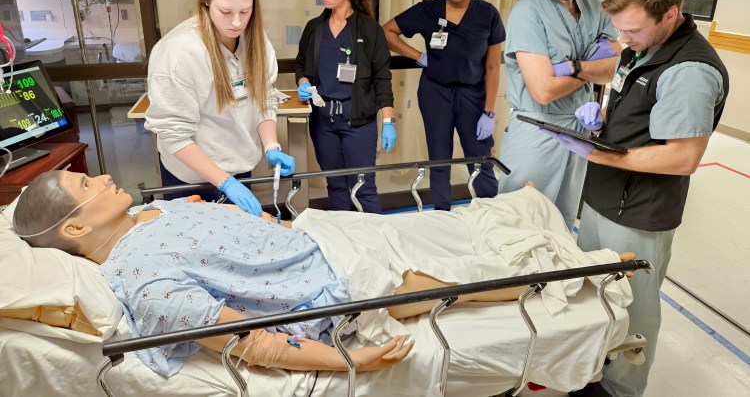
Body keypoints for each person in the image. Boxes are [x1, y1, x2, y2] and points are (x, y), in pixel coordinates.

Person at [13, 170, 634, 381]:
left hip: (323, 236)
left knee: (449, 228)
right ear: (73, 229)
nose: (100, 177)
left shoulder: (150, 211)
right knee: (451, 276)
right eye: (84, 184)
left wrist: (227, 210)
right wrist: (351, 363)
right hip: (339, 282)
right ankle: (570, 277)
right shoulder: (146, 284)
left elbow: (217, 223)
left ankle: (529, 239)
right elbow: (246, 339)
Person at [542, 0, 729, 397]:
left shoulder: (689, 70)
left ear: (670, 13)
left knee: (634, 312)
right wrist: (600, 120)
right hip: (605, 198)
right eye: (620, 29)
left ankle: (620, 391)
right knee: (595, 297)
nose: (623, 41)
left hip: (640, 213)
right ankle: (591, 374)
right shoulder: (641, 50)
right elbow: (634, 110)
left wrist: (607, 157)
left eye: (633, 30)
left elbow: (682, 157)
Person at [145, 0, 294, 215]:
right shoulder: (180, 52)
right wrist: (224, 182)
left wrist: (271, 144)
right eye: (226, 12)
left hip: (238, 169)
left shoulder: (256, 42)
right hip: (192, 179)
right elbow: (174, 136)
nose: (236, 22)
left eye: (245, 12)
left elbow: (265, 99)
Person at [498, 0, 621, 230]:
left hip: (578, 130)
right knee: (521, 223)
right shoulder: (528, 14)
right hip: (536, 131)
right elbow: (543, 90)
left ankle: (555, 282)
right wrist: (592, 63)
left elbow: (613, 70)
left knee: (563, 222)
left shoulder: (595, 5)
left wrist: (573, 66)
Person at [383, 0, 504, 211]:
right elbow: (387, 31)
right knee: (439, 157)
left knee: (480, 158)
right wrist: (418, 55)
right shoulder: (429, 10)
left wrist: (489, 111)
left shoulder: (487, 15)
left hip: (474, 95)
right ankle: (442, 214)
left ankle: (492, 214)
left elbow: (493, 67)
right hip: (435, 93)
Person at [295, 0, 395, 213]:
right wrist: (303, 82)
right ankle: (343, 244)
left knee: (363, 187)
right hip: (324, 122)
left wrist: (389, 121)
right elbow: (301, 66)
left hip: (358, 123)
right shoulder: (314, 29)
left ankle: (373, 244)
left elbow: (382, 78)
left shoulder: (369, 30)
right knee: (336, 186)